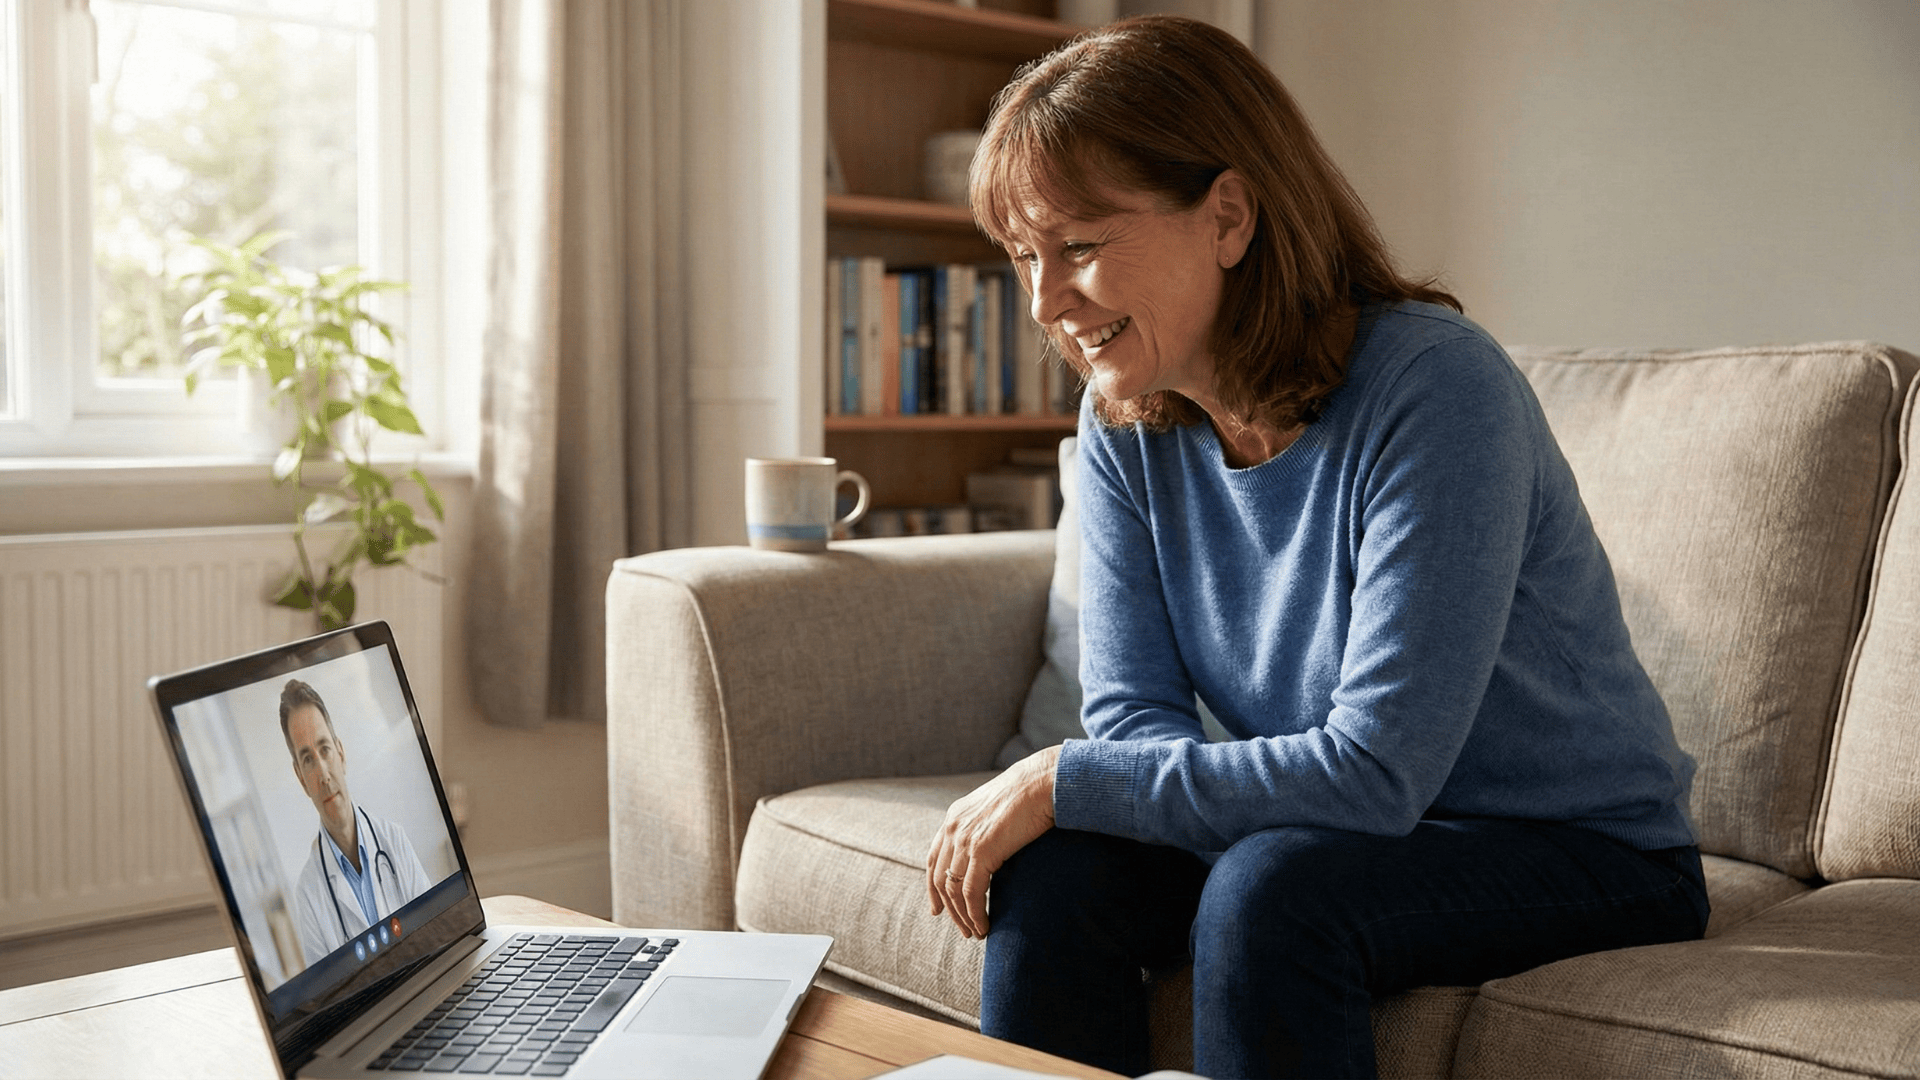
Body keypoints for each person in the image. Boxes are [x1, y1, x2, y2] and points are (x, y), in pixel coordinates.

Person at [923, 16, 1708, 1079]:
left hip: (1578, 848)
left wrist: (1060, 776)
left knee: (1271, 889)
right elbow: (1134, 721)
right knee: (1058, 875)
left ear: (1230, 217)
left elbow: (1377, 771)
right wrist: (1078, 792)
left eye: (1079, 246)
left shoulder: (1438, 389)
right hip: (1343, 829)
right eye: (1023, 257)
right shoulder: (1122, 426)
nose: (1043, 302)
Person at [281, 678, 435, 967]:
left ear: (341, 753)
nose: (324, 774)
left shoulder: (394, 840)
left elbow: (437, 935)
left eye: (324, 749)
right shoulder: (308, 893)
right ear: (301, 778)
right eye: (308, 759)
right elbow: (328, 999)